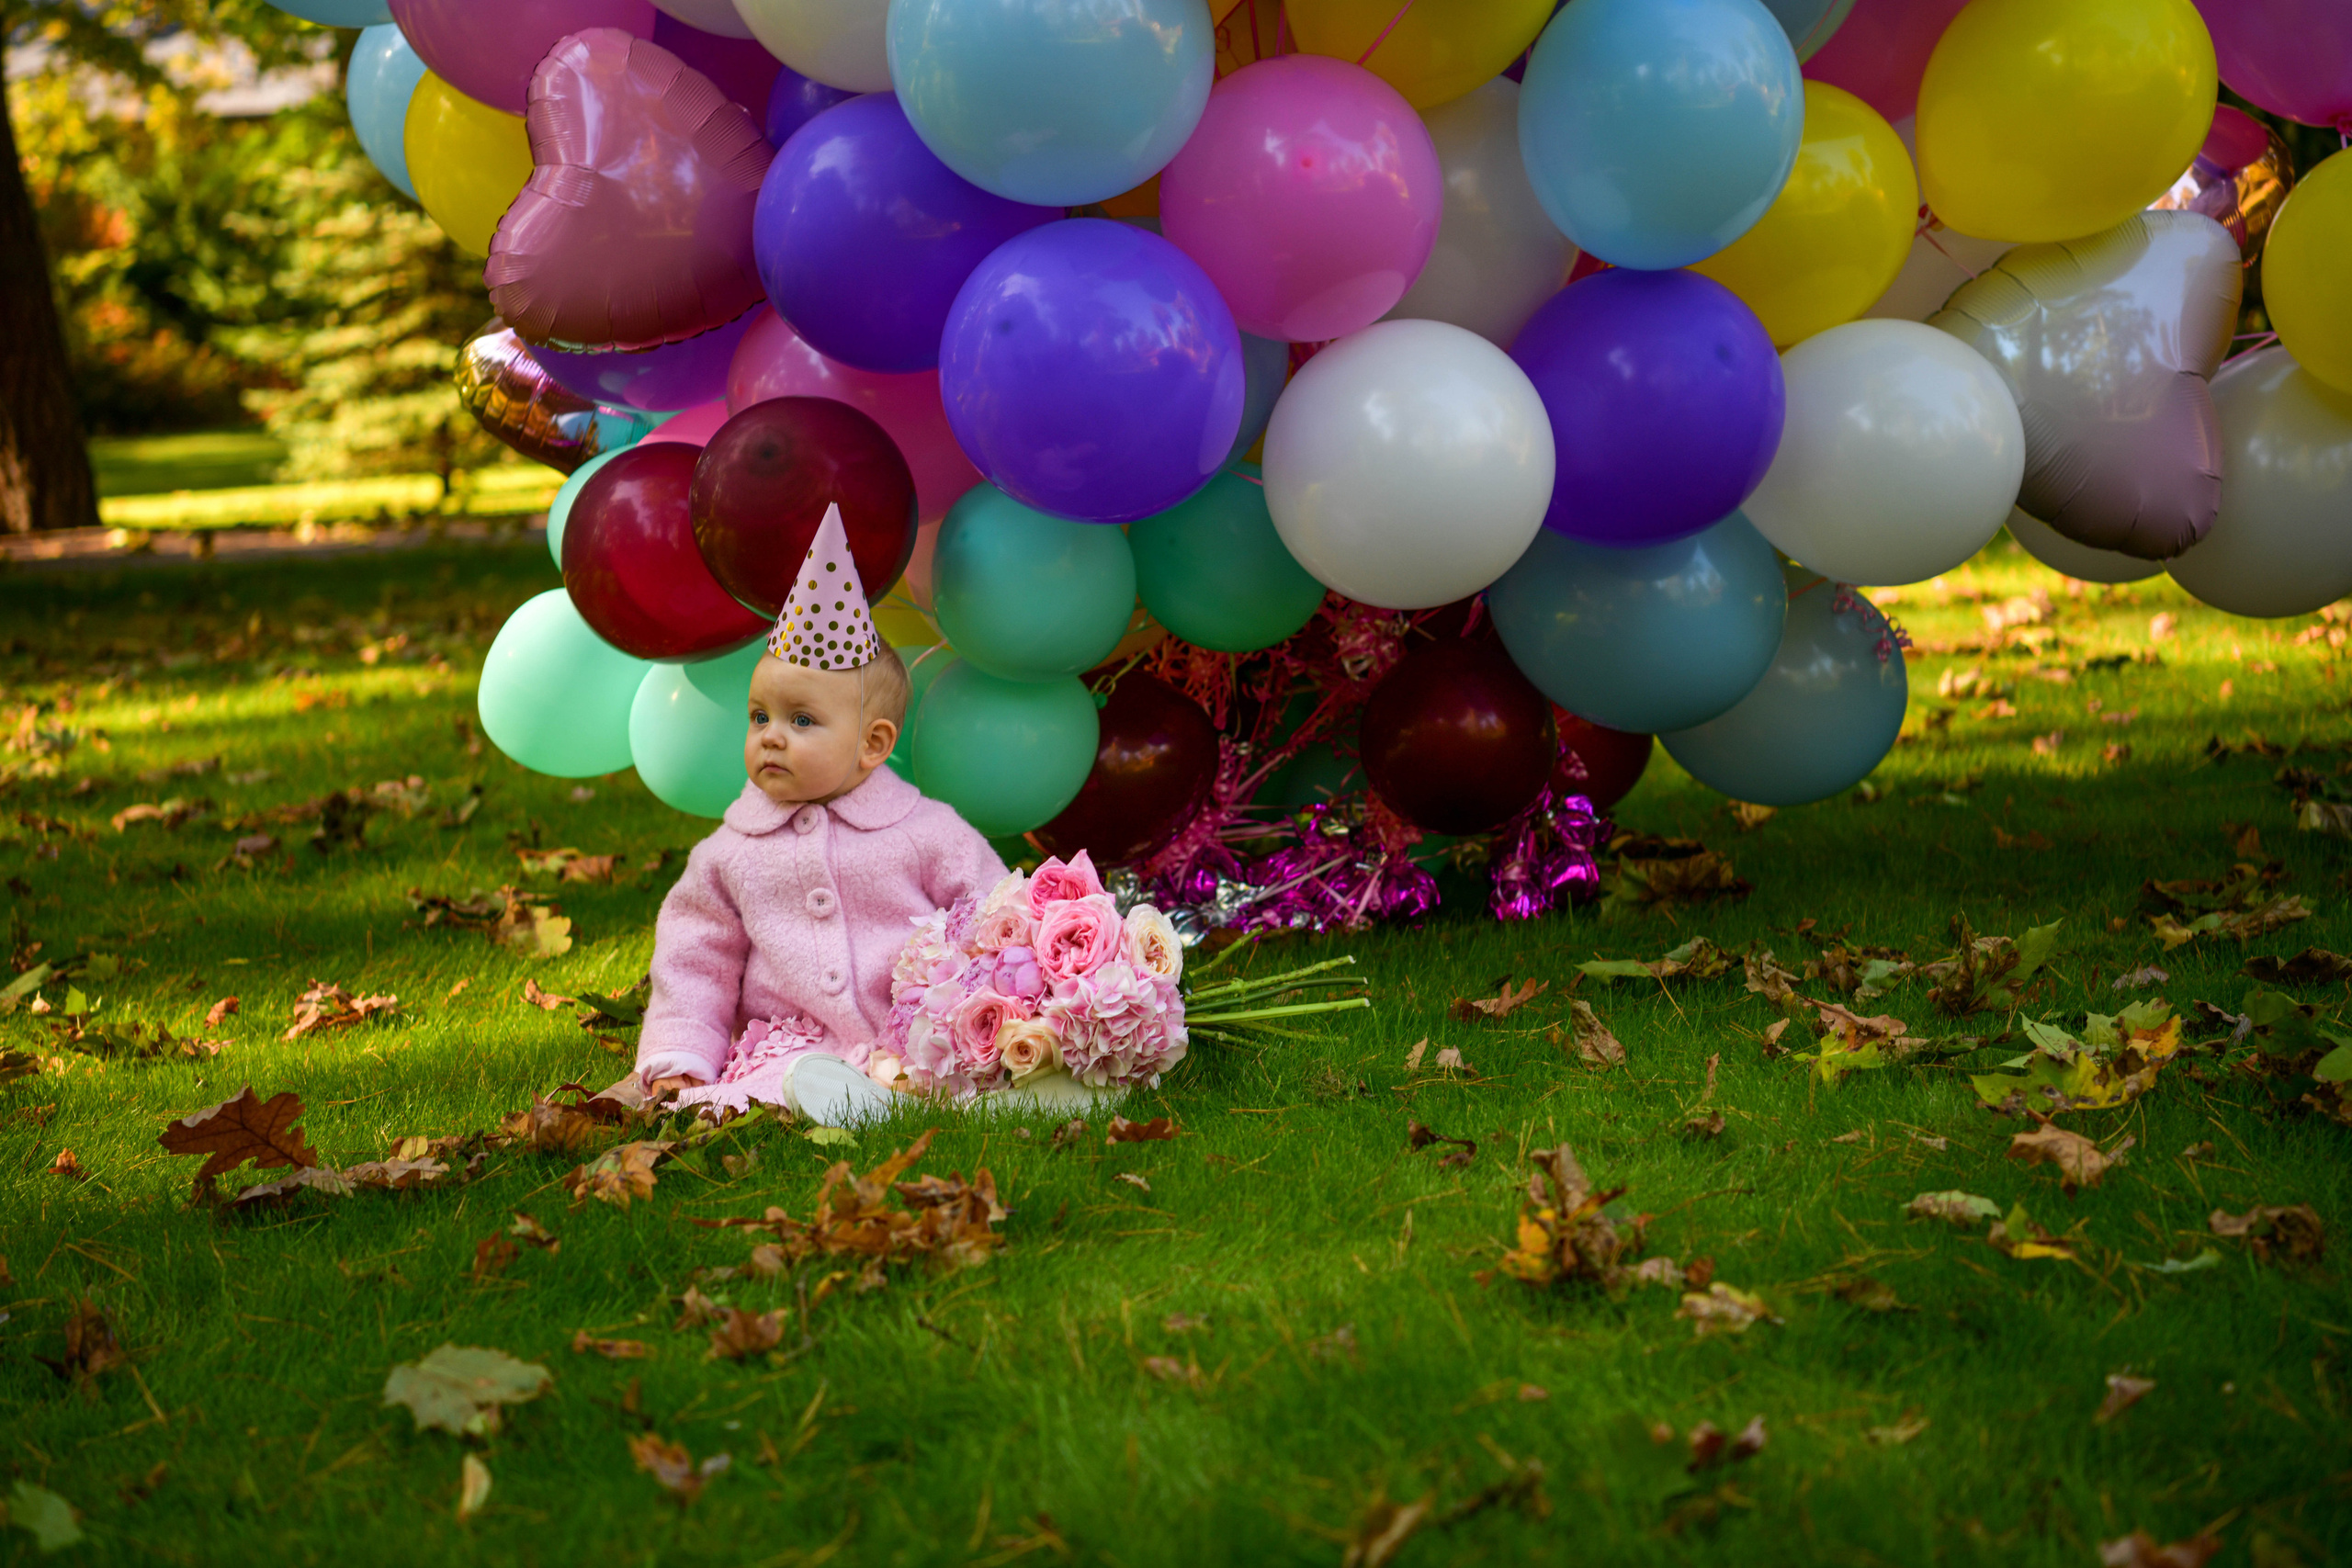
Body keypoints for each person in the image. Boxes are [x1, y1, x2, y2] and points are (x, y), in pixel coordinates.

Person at [628, 505, 1006, 1125]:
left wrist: (998, 1011)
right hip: (795, 1045)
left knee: (962, 1068)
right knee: (774, 1091)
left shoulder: (927, 832)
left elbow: (991, 919)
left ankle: (939, 1089)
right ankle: (837, 1099)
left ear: (873, 744)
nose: (772, 736)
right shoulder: (730, 853)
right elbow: (695, 960)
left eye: (801, 720)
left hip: (916, 1033)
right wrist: (682, 1054)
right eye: (760, 716)